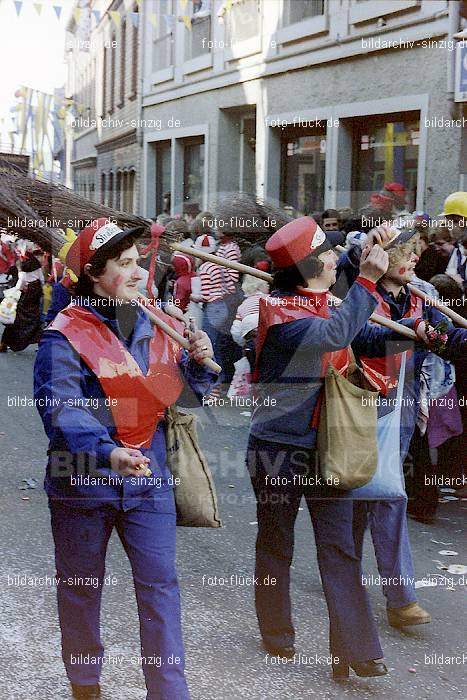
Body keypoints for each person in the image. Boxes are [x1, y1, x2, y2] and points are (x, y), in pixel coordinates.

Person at [34, 218, 216, 700]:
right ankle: (85, 682)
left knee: (160, 588)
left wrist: (196, 365)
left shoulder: (160, 322)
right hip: (81, 480)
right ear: (95, 274)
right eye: (126, 264)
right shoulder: (63, 335)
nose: (140, 273)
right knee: (80, 586)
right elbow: (62, 409)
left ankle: (168, 690)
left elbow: (181, 398)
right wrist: (107, 451)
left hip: (148, 477)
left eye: (140, 262)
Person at [246, 216, 428, 680]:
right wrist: (367, 278)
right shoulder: (280, 315)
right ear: (308, 267)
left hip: (329, 446)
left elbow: (364, 335)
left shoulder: (322, 303)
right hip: (278, 448)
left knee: (340, 547)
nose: (334, 259)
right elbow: (335, 335)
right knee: (276, 541)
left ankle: (355, 648)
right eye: (326, 253)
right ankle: (277, 631)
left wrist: (416, 330)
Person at [0, 240, 44, 353]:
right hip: (36, 292)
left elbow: (21, 282)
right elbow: (41, 279)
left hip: (27, 293)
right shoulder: (36, 264)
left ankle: (4, 343)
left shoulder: (22, 265)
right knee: (35, 317)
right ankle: (40, 342)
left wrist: (15, 291)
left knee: (16, 316)